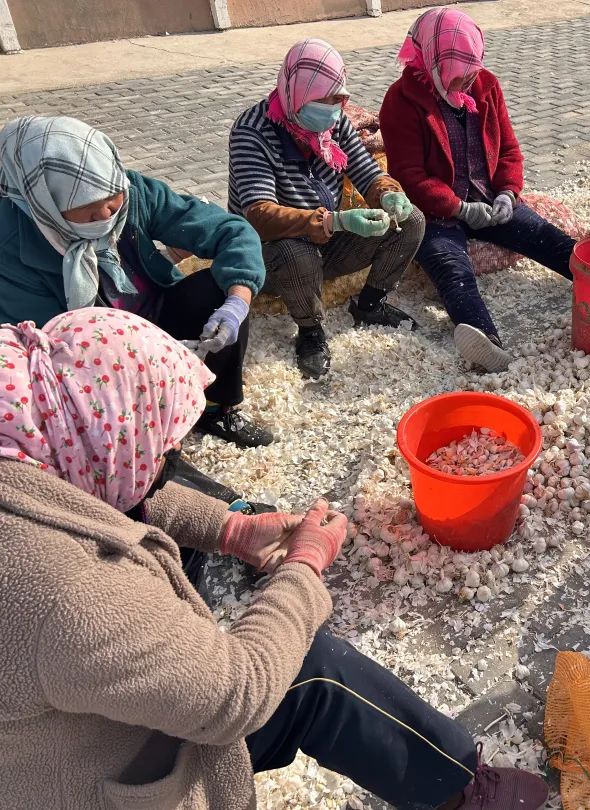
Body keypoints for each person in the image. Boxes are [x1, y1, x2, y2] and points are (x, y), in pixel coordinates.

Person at [0, 306, 549, 810]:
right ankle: (463, 792)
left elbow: (114, 492)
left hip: (62, 722)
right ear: (97, 436)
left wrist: (230, 527)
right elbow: (237, 693)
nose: (170, 462)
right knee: (314, 670)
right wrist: (303, 569)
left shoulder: (26, 441)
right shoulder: (68, 589)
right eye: (159, 452)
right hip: (96, 777)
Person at [0, 115, 273, 448]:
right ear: (44, 204)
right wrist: (149, 363)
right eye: (87, 213)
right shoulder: (12, 244)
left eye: (112, 201)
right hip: (92, 359)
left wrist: (237, 302)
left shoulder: (133, 192)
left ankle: (215, 406)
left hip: (154, 314)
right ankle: (148, 441)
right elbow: (49, 344)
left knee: (213, 291)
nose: (106, 217)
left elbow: (231, 231)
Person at [381, 8, 577, 373]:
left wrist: (506, 192)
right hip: (437, 211)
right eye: (457, 77)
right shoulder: (401, 101)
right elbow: (410, 176)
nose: (466, 84)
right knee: (452, 269)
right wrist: (458, 208)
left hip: (488, 199)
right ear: (432, 62)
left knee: (548, 238)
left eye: (472, 73)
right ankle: (486, 342)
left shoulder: (486, 85)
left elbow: (509, 150)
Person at [230, 38, 424, 379]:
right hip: (272, 255)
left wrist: (388, 193)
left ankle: (370, 305)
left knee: (411, 220)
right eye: (325, 100)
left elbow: (367, 173)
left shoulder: (333, 125)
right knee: (294, 252)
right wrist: (333, 220)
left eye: (339, 99)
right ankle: (311, 332)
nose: (334, 109)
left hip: (326, 240)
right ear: (297, 94)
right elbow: (259, 214)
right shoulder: (252, 133)